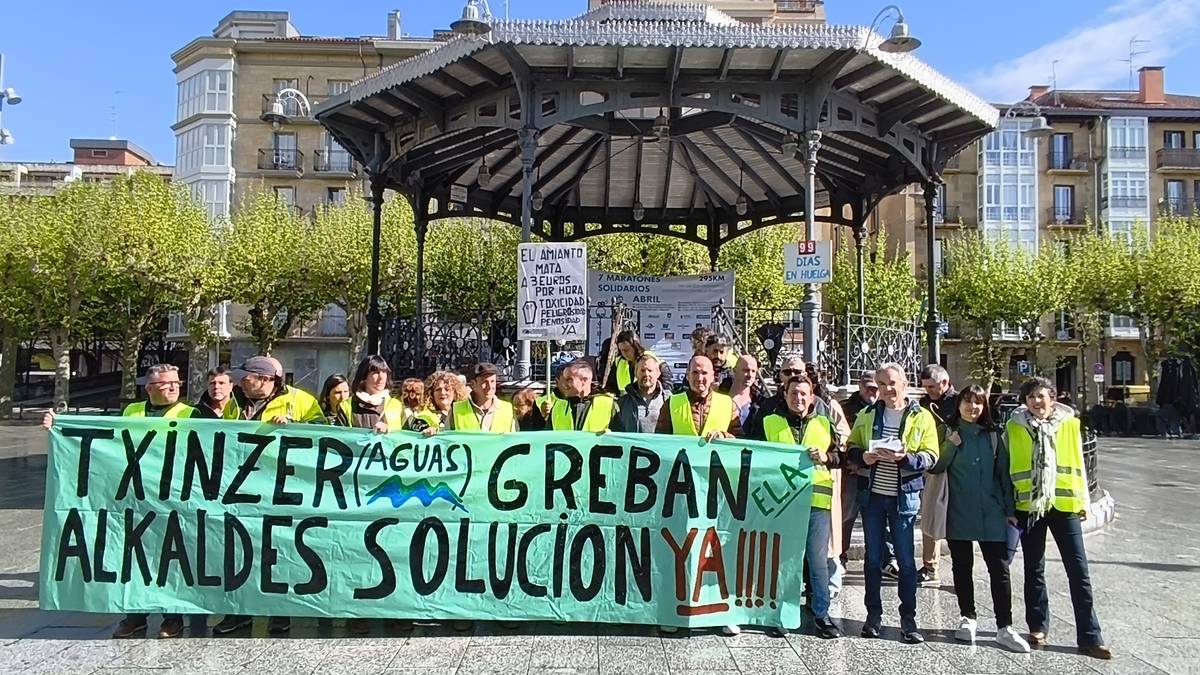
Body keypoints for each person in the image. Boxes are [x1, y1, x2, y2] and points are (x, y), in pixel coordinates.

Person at [43, 364, 196, 639]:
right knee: (134, 557)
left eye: (176, 382)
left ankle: (172, 617)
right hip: (134, 497)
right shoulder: (131, 412)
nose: (174, 387)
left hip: (172, 497)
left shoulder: (191, 414)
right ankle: (135, 616)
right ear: (149, 388)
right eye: (166, 383)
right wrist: (60, 426)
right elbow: (104, 438)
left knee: (169, 558)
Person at [214, 355, 323, 636]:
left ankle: (279, 612)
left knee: (280, 550)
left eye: (246, 376)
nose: (241, 381)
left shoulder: (301, 400)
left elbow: (325, 431)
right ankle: (239, 612)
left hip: (282, 486)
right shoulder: (235, 401)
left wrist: (293, 426)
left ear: (265, 379)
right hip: (242, 488)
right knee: (239, 551)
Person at [1006, 377, 1111, 660]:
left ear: (1052, 398)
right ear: (1025, 401)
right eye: (1030, 397)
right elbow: (1007, 465)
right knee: (1034, 568)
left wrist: (1084, 502)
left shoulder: (1070, 424)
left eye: (1041, 396)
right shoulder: (1014, 427)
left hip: (1064, 504)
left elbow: (1078, 462)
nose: (1036, 402)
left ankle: (1091, 635)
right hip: (1030, 504)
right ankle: (1038, 625)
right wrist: (1010, 505)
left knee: (1079, 571)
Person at [929, 385, 1029, 653]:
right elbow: (936, 466)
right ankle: (968, 617)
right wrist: (951, 445)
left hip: (991, 511)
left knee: (999, 569)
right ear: (959, 403)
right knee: (962, 566)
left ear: (985, 407)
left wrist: (1009, 510)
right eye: (967, 401)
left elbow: (1003, 474)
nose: (972, 407)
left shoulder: (994, 436)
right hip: (958, 510)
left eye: (977, 403)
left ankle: (1004, 627)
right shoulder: (947, 432)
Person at [847, 362, 939, 644]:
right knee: (873, 559)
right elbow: (852, 447)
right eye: (881, 384)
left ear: (904, 382)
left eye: (892, 383)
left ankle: (908, 620)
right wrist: (863, 456)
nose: (887, 389)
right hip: (873, 496)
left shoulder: (921, 417)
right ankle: (873, 616)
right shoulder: (867, 414)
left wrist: (907, 459)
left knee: (906, 561)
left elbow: (931, 456)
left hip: (904, 497)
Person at [656, 354, 741, 636]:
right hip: (682, 489)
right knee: (678, 550)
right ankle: (673, 610)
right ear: (687, 374)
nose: (700, 378)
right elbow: (659, 444)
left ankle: (721, 610)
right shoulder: (673, 403)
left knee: (718, 551)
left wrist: (728, 438)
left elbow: (743, 442)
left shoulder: (728, 405)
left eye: (704, 373)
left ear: (713, 376)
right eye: (695, 372)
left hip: (717, 489)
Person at [755, 375, 843, 640]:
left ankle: (821, 614)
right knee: (782, 560)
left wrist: (826, 457)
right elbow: (753, 453)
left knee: (817, 562)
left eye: (804, 394)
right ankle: (779, 613)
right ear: (785, 394)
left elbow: (840, 456)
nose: (799, 399)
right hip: (781, 502)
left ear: (812, 395)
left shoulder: (824, 421)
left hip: (816, 502)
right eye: (794, 393)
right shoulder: (769, 421)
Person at [918, 364, 958, 585]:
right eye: (926, 387)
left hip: (955, 464)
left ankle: (961, 567)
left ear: (945, 382)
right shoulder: (924, 404)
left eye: (932, 386)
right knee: (930, 515)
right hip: (933, 464)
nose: (929, 391)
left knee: (957, 518)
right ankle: (929, 565)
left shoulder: (959, 400)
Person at [445, 363, 516, 432]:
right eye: (485, 382)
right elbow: (447, 439)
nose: (490, 387)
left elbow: (514, 440)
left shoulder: (507, 409)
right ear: (473, 384)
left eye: (492, 381)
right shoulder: (456, 410)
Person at [548, 360, 617, 431]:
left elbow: (620, 436)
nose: (565, 384)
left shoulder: (609, 404)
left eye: (569, 379)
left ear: (584, 380)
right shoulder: (558, 406)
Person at [615, 354, 672, 433]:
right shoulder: (622, 403)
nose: (646, 374)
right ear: (635, 372)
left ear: (658, 373)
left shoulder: (669, 400)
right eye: (642, 370)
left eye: (650, 370)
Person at [602, 330, 673, 395]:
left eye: (626, 350)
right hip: (626, 404)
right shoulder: (619, 362)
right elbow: (612, 386)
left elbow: (667, 386)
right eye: (621, 350)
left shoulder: (652, 360)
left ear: (635, 347)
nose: (624, 354)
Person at [726, 355, 763, 427]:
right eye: (746, 370)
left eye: (753, 371)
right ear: (734, 371)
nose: (750, 375)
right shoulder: (718, 396)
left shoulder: (760, 402)